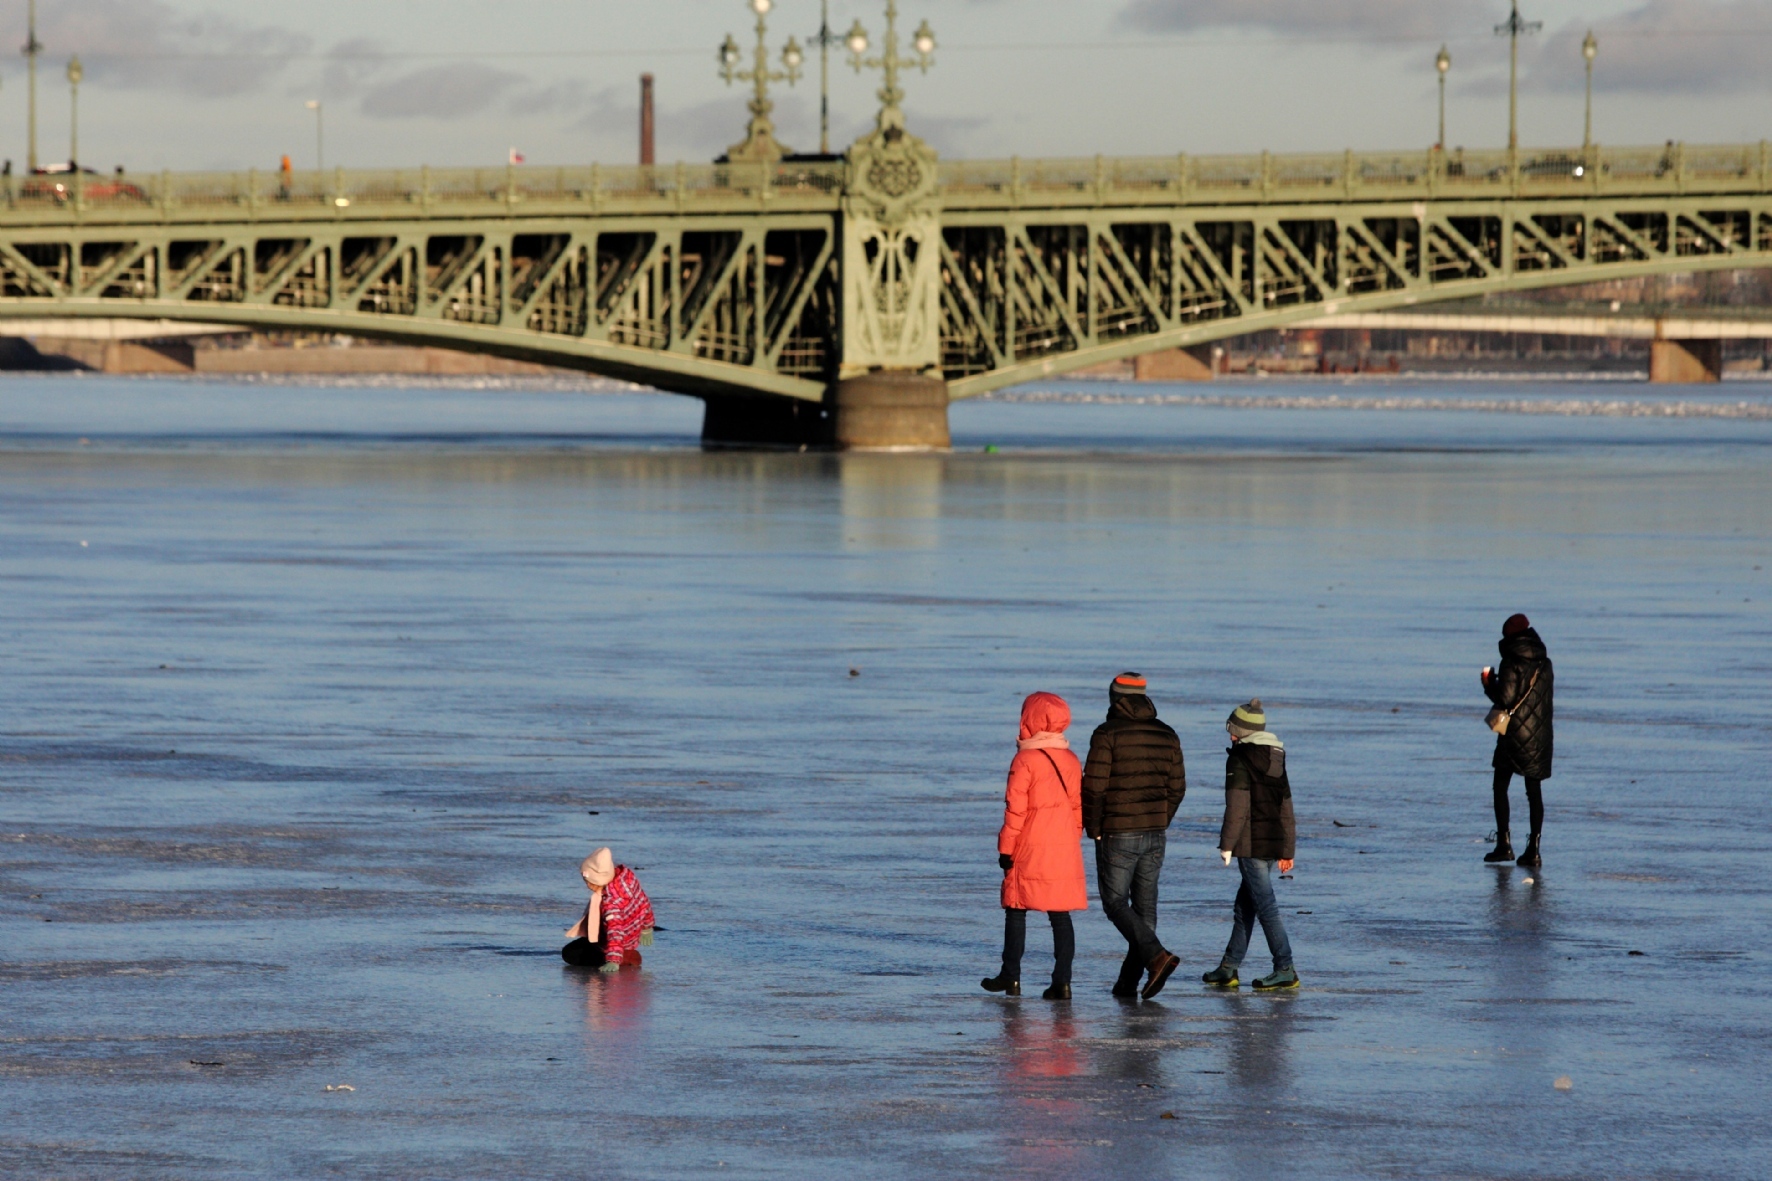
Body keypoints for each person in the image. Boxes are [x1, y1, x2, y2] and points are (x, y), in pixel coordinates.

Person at [1083, 672, 1187, 1000]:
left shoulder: (1106, 733)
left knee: (1115, 903)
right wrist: (1161, 819)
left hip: (1117, 833)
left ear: (1115, 698)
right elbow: (1178, 787)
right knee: (1145, 910)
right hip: (1155, 832)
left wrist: (1095, 827)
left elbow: (1094, 787)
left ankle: (1156, 956)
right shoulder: (1167, 734)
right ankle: (1128, 982)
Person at [982, 692, 1088, 1001]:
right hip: (1063, 845)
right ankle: (1062, 982)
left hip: (1029, 845)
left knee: (1016, 907)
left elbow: (1016, 810)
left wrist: (1005, 848)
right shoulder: (1070, 758)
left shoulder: (1024, 759)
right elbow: (1077, 808)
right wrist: (1071, 837)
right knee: (1060, 913)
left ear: (1029, 720)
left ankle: (1010, 976)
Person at [1202, 700, 1299, 990]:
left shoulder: (1240, 758)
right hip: (1272, 844)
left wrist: (1227, 845)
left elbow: (1237, 806)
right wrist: (1287, 849)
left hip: (1250, 844)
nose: (1230, 736)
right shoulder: (1276, 756)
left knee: (1266, 907)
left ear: (1243, 732)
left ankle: (1285, 968)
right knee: (1245, 905)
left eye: (1233, 730)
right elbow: (1286, 807)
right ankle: (1228, 968)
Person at [1481, 613, 1554, 868]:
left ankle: (1504, 844)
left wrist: (1489, 684)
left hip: (1514, 734)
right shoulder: (1545, 663)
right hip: (1541, 736)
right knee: (1534, 792)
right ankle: (1534, 849)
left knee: (1500, 785)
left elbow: (1505, 698)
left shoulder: (1511, 660)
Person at [561, 847, 655, 972]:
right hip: (631, 934)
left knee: (569, 953)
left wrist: (613, 960)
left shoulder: (611, 904)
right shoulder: (628, 879)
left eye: (587, 881)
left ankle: (625, 957)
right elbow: (644, 902)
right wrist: (647, 926)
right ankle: (624, 953)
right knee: (581, 944)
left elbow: (615, 931)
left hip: (618, 942)